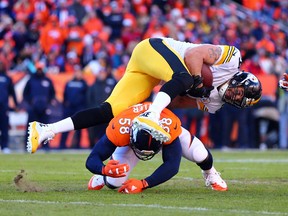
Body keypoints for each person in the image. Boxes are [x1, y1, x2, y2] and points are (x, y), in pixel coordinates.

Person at [26, 37, 262, 154]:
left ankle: (46, 129)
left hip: (153, 73)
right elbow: (194, 55)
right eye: (240, 92)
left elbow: (178, 101)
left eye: (240, 100)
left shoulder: (215, 103)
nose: (235, 96)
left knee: (109, 111)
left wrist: (189, 92)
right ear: (241, 80)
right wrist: (198, 81)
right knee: (186, 77)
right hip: (152, 49)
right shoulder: (232, 59)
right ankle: (151, 115)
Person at [86, 102, 227, 193]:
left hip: (161, 126)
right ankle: (100, 177)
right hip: (131, 139)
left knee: (199, 154)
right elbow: (92, 158)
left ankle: (210, 173)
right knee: (114, 182)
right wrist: (103, 169)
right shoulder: (121, 128)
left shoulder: (168, 128)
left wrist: (144, 184)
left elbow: (172, 165)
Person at [24, 62, 55, 152]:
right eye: (38, 69)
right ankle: (29, 145)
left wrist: (48, 103)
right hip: (33, 108)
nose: (39, 71)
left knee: (46, 128)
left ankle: (45, 147)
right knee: (31, 128)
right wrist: (31, 103)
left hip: (44, 108)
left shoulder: (48, 80)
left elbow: (52, 93)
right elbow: (25, 94)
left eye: (41, 69)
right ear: (36, 69)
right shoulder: (31, 80)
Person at [59, 65, 88, 149]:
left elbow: (86, 96)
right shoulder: (69, 82)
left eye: (79, 72)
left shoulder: (84, 83)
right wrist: (65, 104)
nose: (77, 74)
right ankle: (62, 145)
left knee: (78, 128)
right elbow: (65, 95)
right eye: (76, 72)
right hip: (69, 108)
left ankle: (77, 145)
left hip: (79, 108)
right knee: (65, 127)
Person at [0, 61, 18, 154]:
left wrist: (16, 104)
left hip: (3, 107)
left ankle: (4, 146)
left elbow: (12, 93)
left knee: (4, 127)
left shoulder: (7, 78)